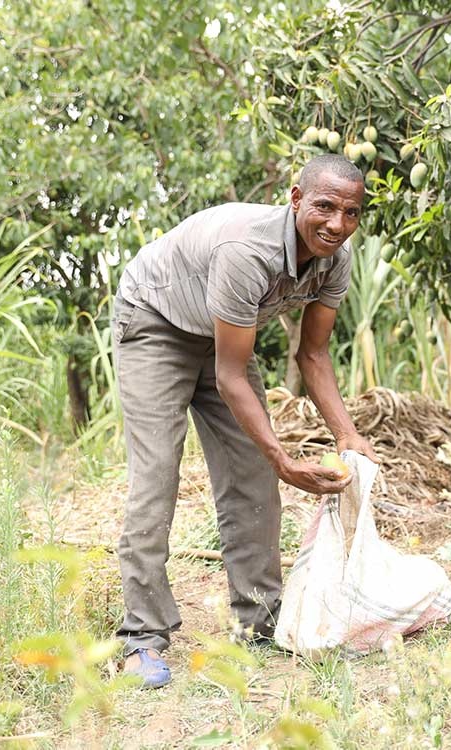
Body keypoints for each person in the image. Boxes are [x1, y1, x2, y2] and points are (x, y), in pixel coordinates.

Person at [111, 154, 379, 688]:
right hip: (155, 321)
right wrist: (282, 458)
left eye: (351, 212)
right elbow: (232, 373)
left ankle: (258, 621)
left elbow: (315, 356)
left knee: (251, 477)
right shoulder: (247, 249)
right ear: (297, 199)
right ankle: (143, 636)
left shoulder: (335, 258)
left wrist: (350, 436)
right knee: (157, 476)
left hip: (221, 335)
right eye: (325, 207)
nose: (336, 224)